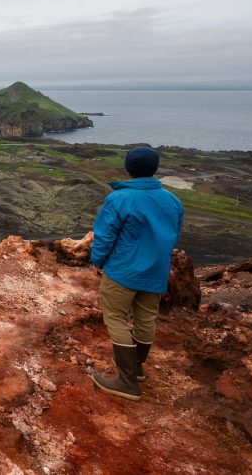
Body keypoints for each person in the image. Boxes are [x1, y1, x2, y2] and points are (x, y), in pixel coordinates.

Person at [90, 146, 184, 401]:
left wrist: (97, 260)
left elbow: (105, 235)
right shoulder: (173, 200)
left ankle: (126, 381)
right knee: (145, 320)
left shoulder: (120, 199)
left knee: (116, 318)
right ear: (154, 168)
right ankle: (138, 368)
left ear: (128, 168)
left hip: (123, 270)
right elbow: (173, 235)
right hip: (156, 271)